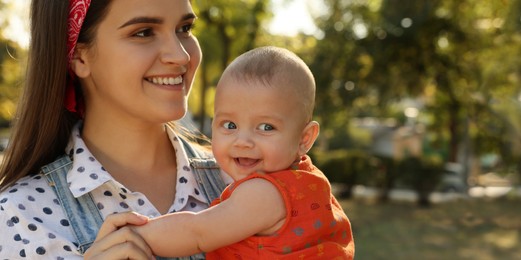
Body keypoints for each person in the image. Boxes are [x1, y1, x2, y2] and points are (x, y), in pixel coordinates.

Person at [0, 0, 230, 259]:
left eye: (185, 28)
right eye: (143, 32)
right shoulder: (20, 216)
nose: (181, 56)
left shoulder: (242, 179)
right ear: (79, 57)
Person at [132, 46, 355, 259]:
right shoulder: (307, 180)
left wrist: (138, 235)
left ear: (304, 139)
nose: (243, 141)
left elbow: (198, 232)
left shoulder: (264, 192)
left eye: (266, 127)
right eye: (230, 125)